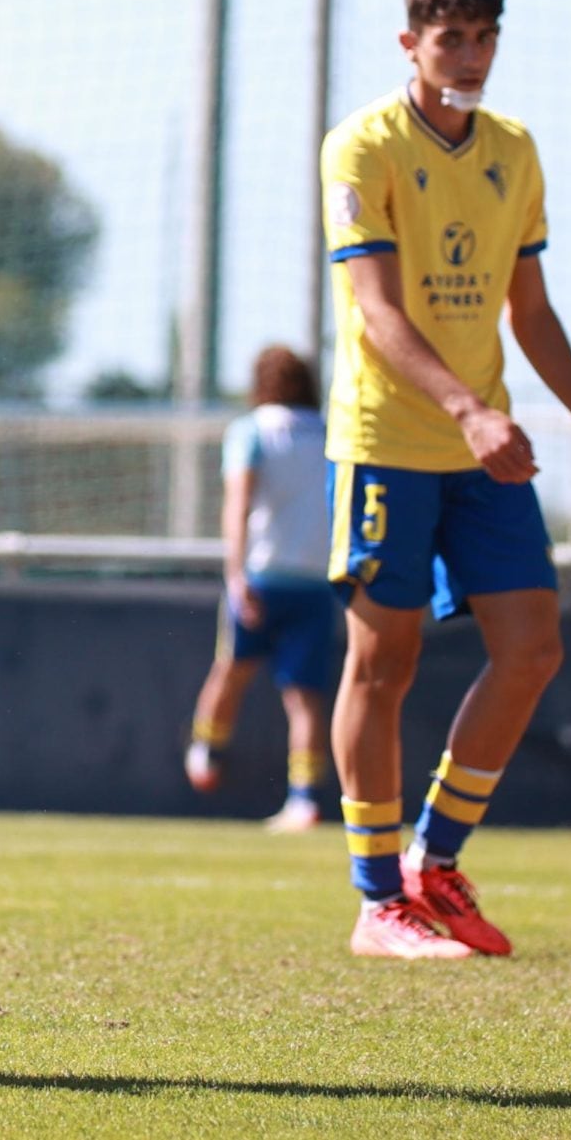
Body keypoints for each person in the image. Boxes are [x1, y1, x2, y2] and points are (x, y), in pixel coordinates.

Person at [320, 0, 571, 960]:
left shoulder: (514, 149)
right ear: (409, 44)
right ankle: (377, 902)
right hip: (391, 440)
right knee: (386, 660)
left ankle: (434, 864)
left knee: (532, 647)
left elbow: (527, 309)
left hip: (479, 443)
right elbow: (374, 310)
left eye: (483, 35)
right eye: (449, 35)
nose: (469, 53)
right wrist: (464, 408)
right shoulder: (360, 146)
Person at [183, 346, 338, 832]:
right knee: (304, 698)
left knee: (230, 670)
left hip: (262, 573)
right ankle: (305, 797)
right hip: (317, 577)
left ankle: (207, 750)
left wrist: (235, 572)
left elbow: (238, 504)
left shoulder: (251, 430)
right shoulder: (331, 433)